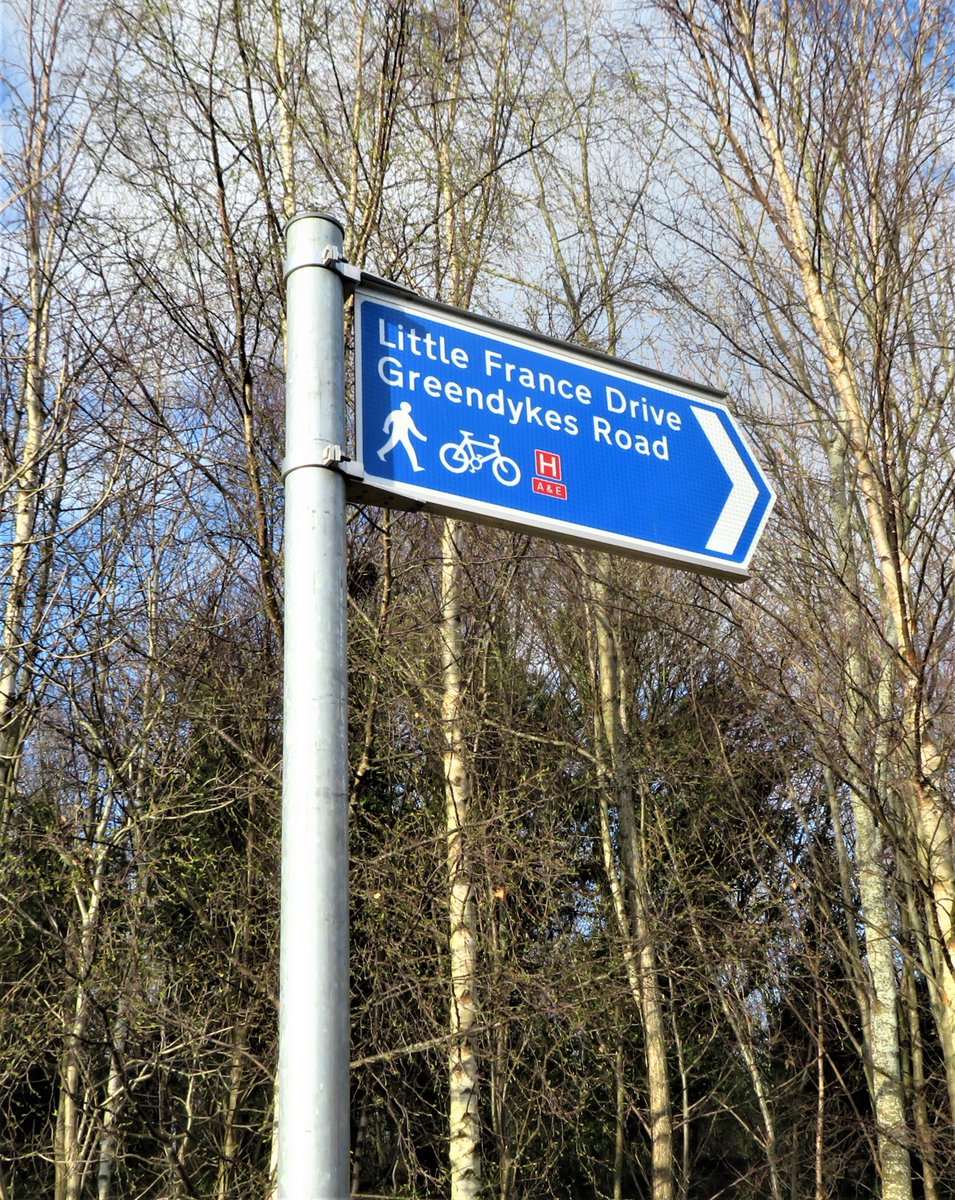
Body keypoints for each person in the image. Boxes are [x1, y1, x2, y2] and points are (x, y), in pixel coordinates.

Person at [377, 401, 427, 472]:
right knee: (393, 445)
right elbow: (389, 419)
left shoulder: (408, 417)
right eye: (408, 408)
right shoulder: (397, 413)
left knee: (409, 448)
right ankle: (381, 452)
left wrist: (422, 437)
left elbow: (413, 429)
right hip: (397, 433)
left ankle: (415, 466)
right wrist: (386, 428)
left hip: (404, 435)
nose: (409, 409)